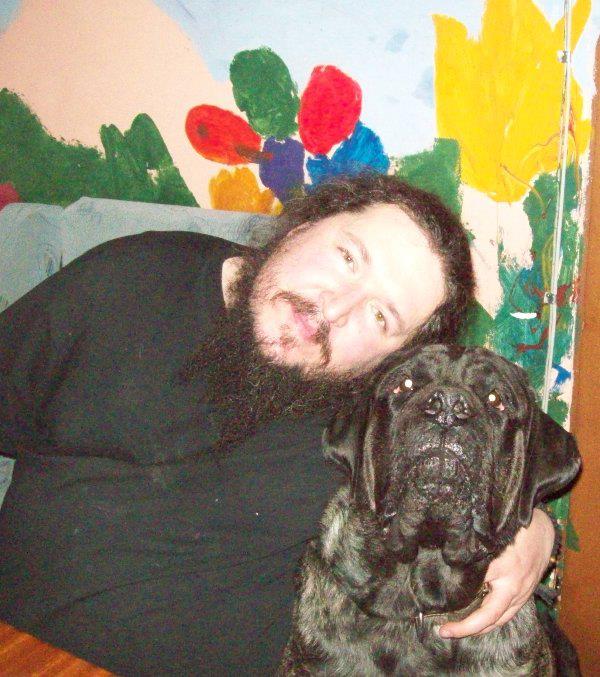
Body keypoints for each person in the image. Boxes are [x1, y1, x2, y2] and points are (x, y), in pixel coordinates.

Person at [0, 174, 555, 675]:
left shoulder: (371, 426)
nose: (334, 307)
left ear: (393, 358)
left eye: (380, 315)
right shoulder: (131, 279)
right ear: (305, 224)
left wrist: (533, 528)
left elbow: (475, 465)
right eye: (348, 258)